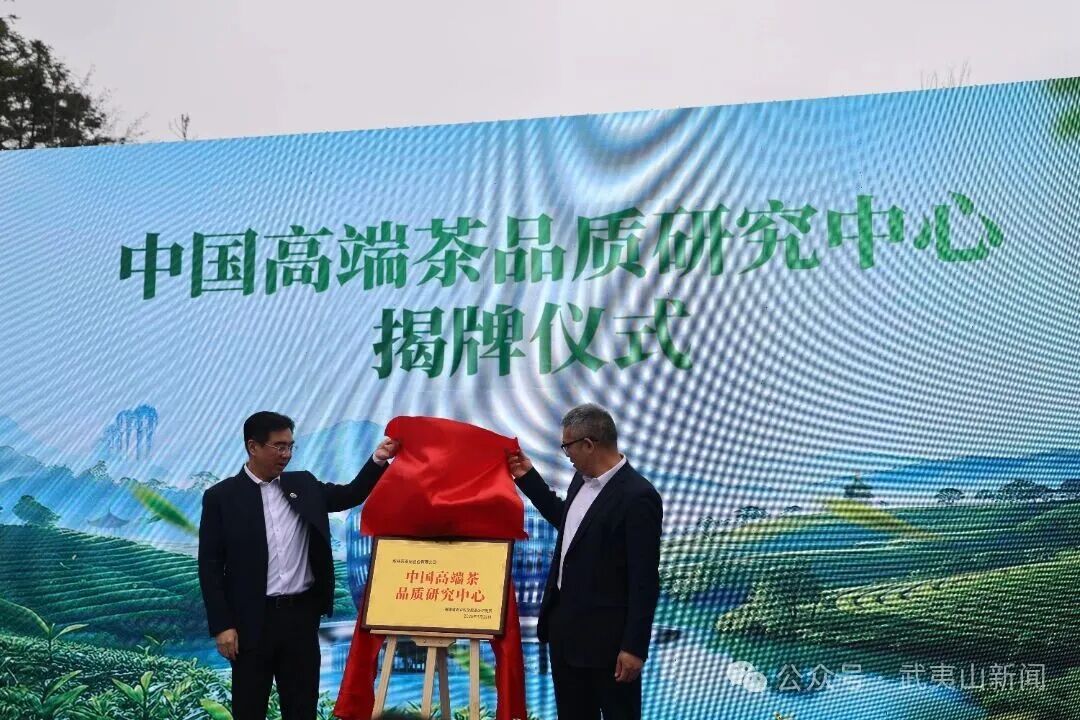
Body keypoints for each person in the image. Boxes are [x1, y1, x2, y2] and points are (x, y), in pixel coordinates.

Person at [198, 411, 399, 720]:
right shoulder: (222, 497)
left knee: (301, 708)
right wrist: (222, 626)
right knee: (249, 709)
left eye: (290, 446)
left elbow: (350, 494)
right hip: (251, 623)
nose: (287, 454)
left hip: (300, 619)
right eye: (279, 447)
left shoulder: (303, 485)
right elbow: (210, 566)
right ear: (253, 447)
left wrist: (378, 459)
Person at [507, 403, 662, 720]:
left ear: (589, 444)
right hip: (565, 635)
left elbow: (644, 580)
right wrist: (527, 477)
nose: (567, 455)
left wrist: (634, 647)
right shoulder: (581, 480)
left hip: (609, 647)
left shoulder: (638, 496)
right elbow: (568, 524)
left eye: (567, 447)